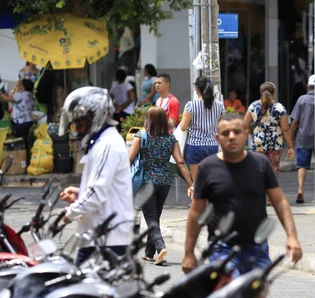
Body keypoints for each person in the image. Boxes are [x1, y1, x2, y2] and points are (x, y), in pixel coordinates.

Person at [182, 113, 302, 276]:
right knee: (232, 291)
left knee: (255, 296)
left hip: (257, 247)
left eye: (237, 132)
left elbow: (279, 201)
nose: (231, 137)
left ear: (246, 134)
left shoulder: (261, 163)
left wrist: (292, 237)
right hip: (222, 249)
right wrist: (189, 253)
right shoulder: (207, 168)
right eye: (225, 133)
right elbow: (196, 212)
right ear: (217, 138)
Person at [57, 87, 133, 266]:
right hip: (97, 235)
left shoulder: (107, 144)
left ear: (97, 117)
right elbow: (102, 188)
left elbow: (96, 193)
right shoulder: (101, 142)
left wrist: (67, 214)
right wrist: (80, 192)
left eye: (80, 124)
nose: (77, 131)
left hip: (107, 239)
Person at [129, 107, 194, 265]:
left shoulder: (141, 136)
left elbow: (128, 160)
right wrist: (190, 184)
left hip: (146, 181)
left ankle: (160, 247)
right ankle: (149, 253)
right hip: (165, 181)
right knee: (155, 216)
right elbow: (180, 162)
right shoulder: (171, 139)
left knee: (150, 217)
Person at [179, 77, 225, 180]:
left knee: (196, 182)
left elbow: (183, 127)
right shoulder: (219, 106)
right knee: (211, 180)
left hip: (195, 146)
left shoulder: (191, 105)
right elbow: (221, 126)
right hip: (213, 146)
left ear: (196, 88)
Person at [244, 82, 295, 176]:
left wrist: (253, 133)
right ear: (274, 93)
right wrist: (291, 147)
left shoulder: (253, 106)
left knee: (258, 171)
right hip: (275, 144)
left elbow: (245, 124)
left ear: (261, 92)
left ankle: (259, 189)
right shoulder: (280, 108)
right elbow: (285, 128)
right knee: (272, 172)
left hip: (258, 143)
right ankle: (270, 189)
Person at [290, 74, 315, 204]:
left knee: (302, 166)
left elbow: (295, 121)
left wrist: (290, 138)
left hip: (303, 136)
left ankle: (300, 190)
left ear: (308, 85)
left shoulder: (301, 99)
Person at [1, 79, 34, 146]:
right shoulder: (29, 94)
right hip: (27, 120)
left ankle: (21, 154)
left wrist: (1, 93)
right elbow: (10, 97)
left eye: (20, 84)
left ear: (23, 87)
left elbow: (6, 98)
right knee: (24, 140)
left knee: (20, 141)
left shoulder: (22, 95)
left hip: (22, 122)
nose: (19, 86)